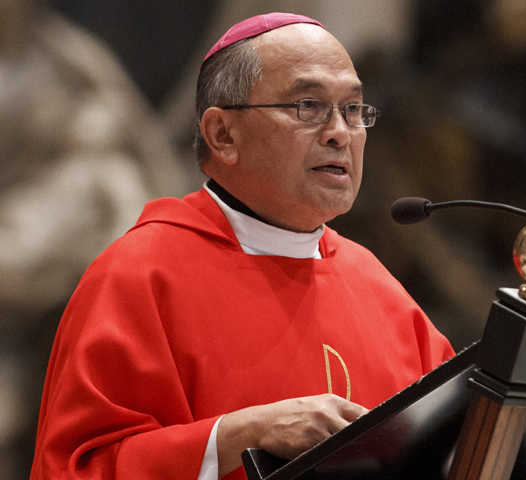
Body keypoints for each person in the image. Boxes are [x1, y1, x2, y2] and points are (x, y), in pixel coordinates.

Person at [29, 12, 454, 480]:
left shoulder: (375, 284)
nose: (340, 132)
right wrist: (240, 435)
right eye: (308, 105)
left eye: (354, 110)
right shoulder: (140, 276)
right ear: (222, 135)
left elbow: (462, 441)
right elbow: (77, 469)